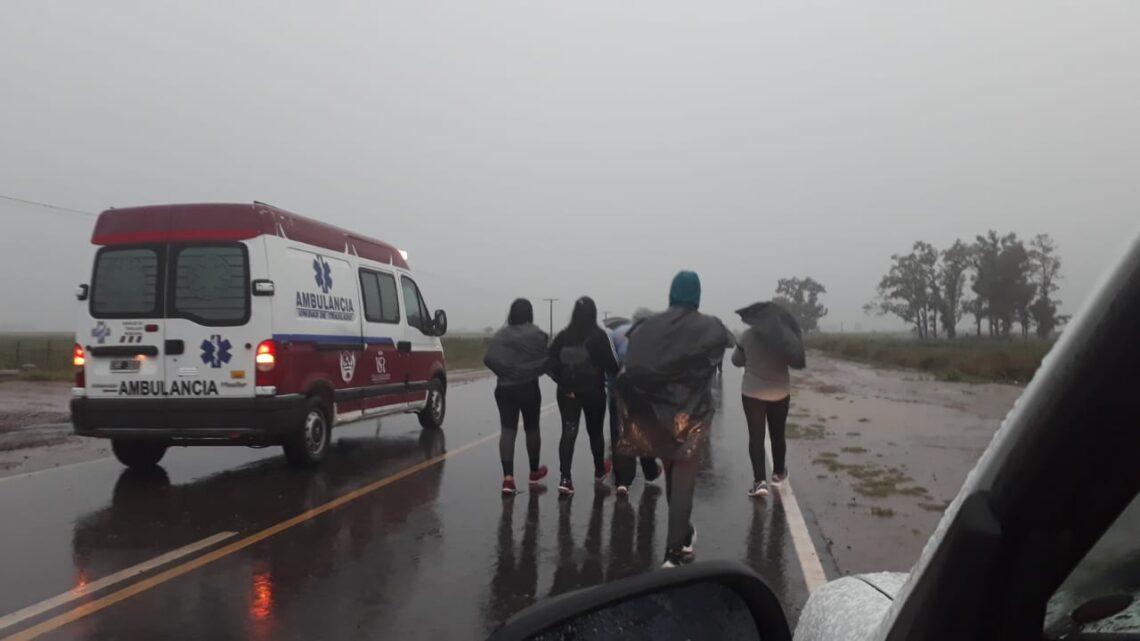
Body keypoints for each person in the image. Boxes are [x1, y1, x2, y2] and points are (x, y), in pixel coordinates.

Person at [617, 271, 730, 567]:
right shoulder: (709, 325)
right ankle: (674, 551)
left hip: (655, 413)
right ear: (697, 295)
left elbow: (633, 364)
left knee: (671, 469)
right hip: (690, 413)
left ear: (671, 293)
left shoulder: (647, 325)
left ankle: (683, 534)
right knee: (684, 477)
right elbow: (724, 345)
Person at [732, 301, 805, 498]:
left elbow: (736, 361)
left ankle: (759, 482)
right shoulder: (785, 339)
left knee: (756, 436)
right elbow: (794, 361)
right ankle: (779, 473)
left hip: (752, 393)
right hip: (780, 393)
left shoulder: (747, 336)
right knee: (777, 433)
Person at [548, 296, 619, 495]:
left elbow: (549, 362)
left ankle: (565, 479)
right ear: (594, 313)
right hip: (593, 392)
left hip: (567, 394)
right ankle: (599, 470)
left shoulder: (563, 336)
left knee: (568, 432)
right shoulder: (599, 336)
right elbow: (613, 364)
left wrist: (562, 381)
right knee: (595, 433)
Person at [484, 299, 550, 495]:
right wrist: (529, 371)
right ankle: (534, 473)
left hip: (505, 389)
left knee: (507, 430)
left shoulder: (501, 335)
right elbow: (546, 360)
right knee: (532, 428)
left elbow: (489, 359)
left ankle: (508, 479)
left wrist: (507, 372)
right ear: (530, 314)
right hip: (529, 387)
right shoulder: (538, 334)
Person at [607, 308, 662, 496]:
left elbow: (610, 361)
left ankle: (622, 482)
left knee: (620, 434)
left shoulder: (617, 333)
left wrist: (611, 385)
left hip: (619, 390)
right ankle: (650, 471)